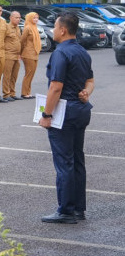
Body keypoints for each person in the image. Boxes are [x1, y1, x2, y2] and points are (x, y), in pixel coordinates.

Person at [38, 12, 94, 224]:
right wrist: (87, 92)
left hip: (65, 111)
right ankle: (79, 208)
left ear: (63, 30)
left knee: (64, 162)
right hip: (80, 110)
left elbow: (56, 87)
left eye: (54, 26)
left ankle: (66, 210)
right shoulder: (82, 51)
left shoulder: (60, 53)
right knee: (77, 160)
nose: (53, 30)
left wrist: (46, 114)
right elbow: (90, 80)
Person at [2, 11, 22, 101]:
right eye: (16, 17)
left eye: (19, 18)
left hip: (17, 55)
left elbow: (19, 41)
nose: (18, 19)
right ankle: (6, 94)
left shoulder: (18, 28)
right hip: (8, 54)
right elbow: (1, 40)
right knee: (7, 75)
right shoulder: (6, 27)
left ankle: (12, 93)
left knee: (14, 75)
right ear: (11, 18)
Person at [20, 12, 40, 99]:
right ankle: (24, 93)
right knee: (29, 73)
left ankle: (28, 92)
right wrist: (20, 53)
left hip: (35, 53)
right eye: (34, 18)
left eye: (37, 18)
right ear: (29, 19)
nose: (36, 19)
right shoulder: (27, 28)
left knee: (32, 73)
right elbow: (22, 41)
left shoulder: (35, 27)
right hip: (28, 53)